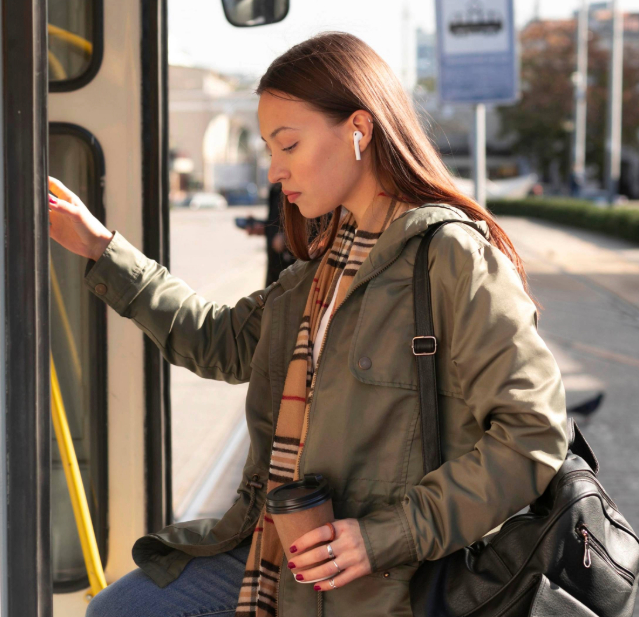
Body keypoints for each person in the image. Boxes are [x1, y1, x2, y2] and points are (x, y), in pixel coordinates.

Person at [47, 32, 568, 617]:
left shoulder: (452, 258)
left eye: (288, 145)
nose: (274, 171)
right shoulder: (321, 268)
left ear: (358, 130)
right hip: (283, 556)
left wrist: (386, 536)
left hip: (393, 580)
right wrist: (101, 250)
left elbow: (533, 435)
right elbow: (218, 341)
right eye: (270, 149)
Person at [246, 183, 298, 286]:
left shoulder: (300, 186)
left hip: (294, 271)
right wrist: (262, 227)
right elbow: (275, 223)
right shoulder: (276, 189)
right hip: (274, 269)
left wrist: (286, 238)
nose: (271, 176)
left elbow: (319, 226)